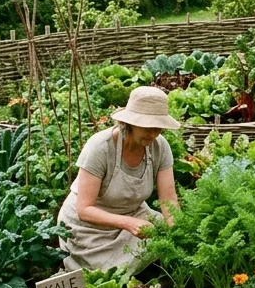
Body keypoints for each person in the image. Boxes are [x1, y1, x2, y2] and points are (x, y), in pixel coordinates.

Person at [58, 86, 181, 272]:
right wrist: (128, 223)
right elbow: (84, 209)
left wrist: (179, 234)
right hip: (88, 227)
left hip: (133, 213)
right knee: (108, 272)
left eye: (159, 128)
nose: (154, 134)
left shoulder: (160, 147)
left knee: (164, 236)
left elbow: (168, 200)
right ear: (130, 123)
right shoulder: (100, 148)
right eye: (149, 127)